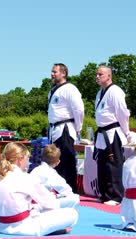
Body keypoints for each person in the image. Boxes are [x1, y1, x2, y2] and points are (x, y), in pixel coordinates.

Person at [0, 142, 78, 236]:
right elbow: (50, 204)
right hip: (25, 228)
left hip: (1, 225)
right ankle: (49, 229)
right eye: (27, 159)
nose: (27, 162)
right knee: (72, 213)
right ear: (20, 159)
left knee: (36, 208)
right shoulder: (25, 177)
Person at [94, 66, 131, 205]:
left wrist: (126, 132)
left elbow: (123, 113)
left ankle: (116, 196)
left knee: (114, 165)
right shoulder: (100, 93)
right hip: (102, 132)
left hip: (113, 131)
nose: (97, 76)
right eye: (96, 74)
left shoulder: (115, 91)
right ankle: (104, 194)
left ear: (109, 76)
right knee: (102, 164)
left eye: (100, 74)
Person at [47, 63, 84, 193]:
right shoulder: (52, 90)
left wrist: (78, 127)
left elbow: (78, 109)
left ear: (63, 73)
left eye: (55, 72)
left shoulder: (70, 88)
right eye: (52, 71)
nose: (52, 74)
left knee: (66, 160)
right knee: (55, 160)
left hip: (65, 128)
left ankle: (70, 190)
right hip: (54, 129)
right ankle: (58, 189)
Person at [29, 144, 80, 208]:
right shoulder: (50, 173)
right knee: (75, 198)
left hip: (32, 202)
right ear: (58, 162)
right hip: (40, 205)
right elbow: (66, 189)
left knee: (54, 195)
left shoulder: (36, 170)